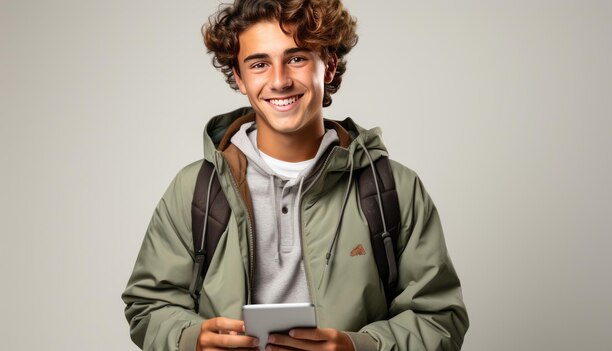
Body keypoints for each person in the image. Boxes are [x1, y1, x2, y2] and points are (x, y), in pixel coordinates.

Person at [122, 0, 469, 350]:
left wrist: (358, 347)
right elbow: (148, 306)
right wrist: (192, 339)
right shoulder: (195, 190)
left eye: (297, 58)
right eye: (259, 64)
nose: (280, 81)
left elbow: (441, 319)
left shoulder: (392, 188)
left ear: (329, 66)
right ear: (240, 78)